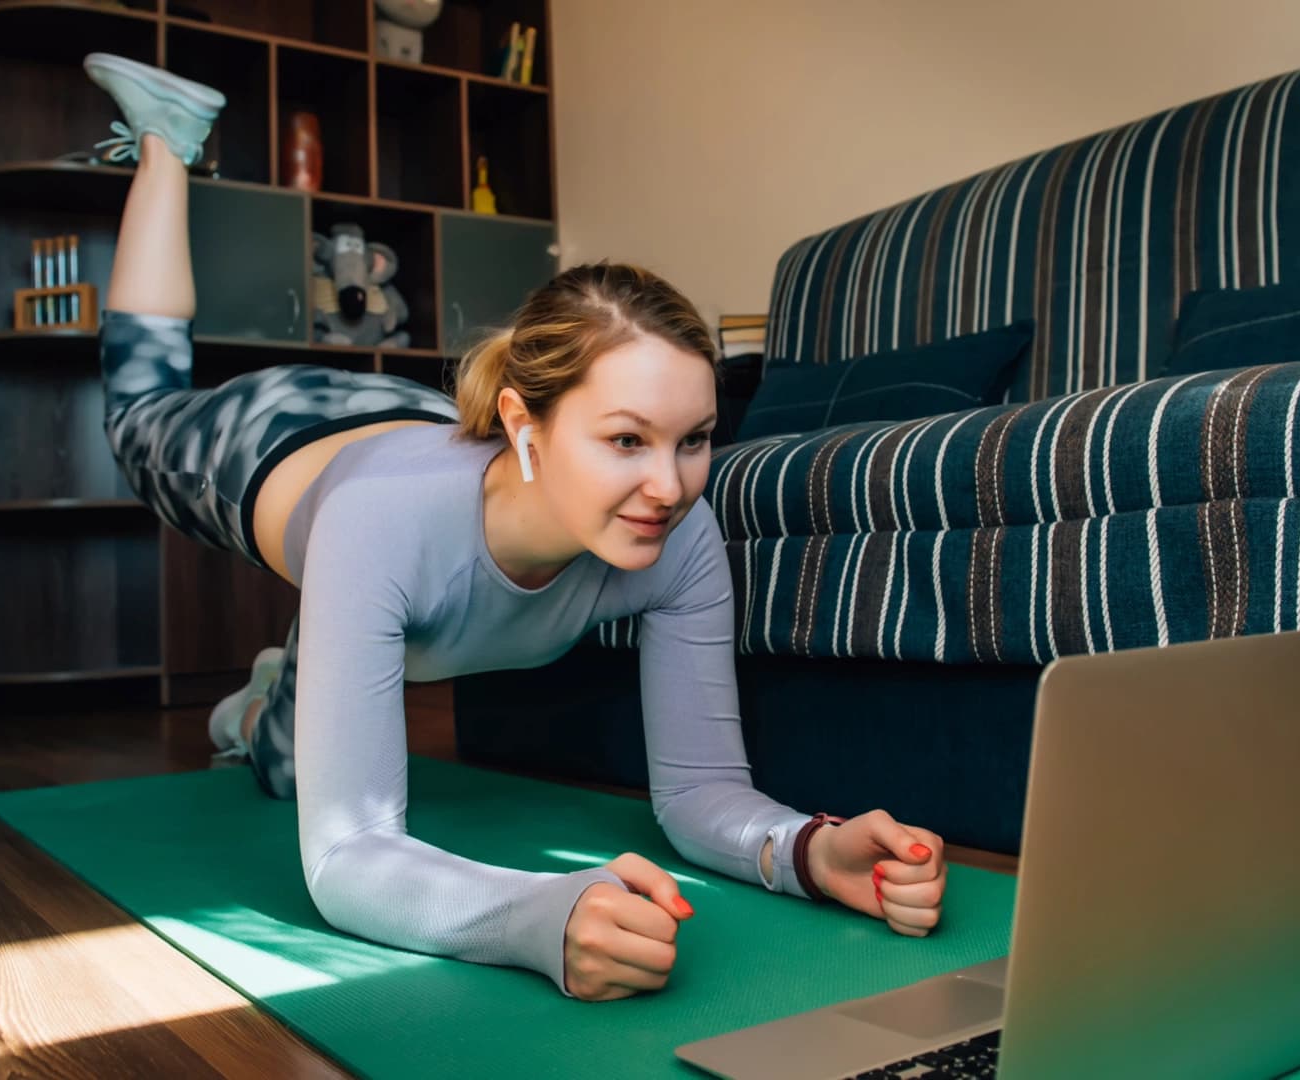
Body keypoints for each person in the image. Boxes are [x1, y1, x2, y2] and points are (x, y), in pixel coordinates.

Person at [82, 53, 949, 1002]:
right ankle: (168, 143)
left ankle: (278, 694)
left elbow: (700, 793)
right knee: (136, 412)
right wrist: (540, 915)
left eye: (694, 439)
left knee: (284, 772)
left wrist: (808, 849)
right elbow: (349, 859)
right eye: (626, 439)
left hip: (415, 465)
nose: (668, 485)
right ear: (525, 426)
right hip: (277, 440)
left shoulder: (680, 536)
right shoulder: (381, 526)